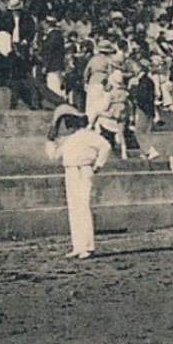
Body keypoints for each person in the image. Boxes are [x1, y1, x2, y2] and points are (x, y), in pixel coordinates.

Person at [46, 106, 110, 260]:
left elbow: (105, 147)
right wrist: (50, 140)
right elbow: (53, 156)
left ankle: (88, 247)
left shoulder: (88, 135)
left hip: (84, 170)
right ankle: (78, 246)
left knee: (83, 207)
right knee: (74, 208)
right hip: (70, 171)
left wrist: (98, 165)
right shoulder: (69, 139)